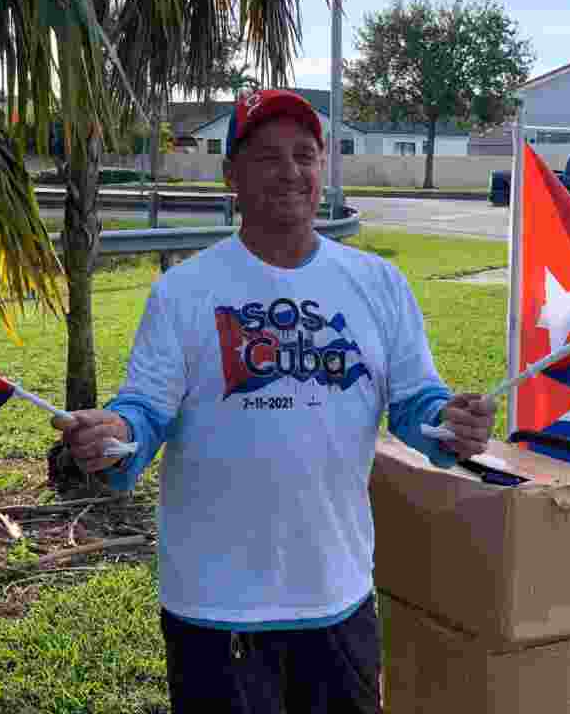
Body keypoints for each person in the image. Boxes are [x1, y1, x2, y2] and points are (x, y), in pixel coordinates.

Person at [53, 89, 498, 713]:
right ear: (231, 174)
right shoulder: (184, 292)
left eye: (305, 154)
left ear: (323, 167)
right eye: (267, 157)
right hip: (216, 606)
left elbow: (416, 403)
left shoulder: (378, 283)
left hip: (338, 592)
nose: (290, 171)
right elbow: (144, 413)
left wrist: (450, 424)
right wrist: (112, 439)